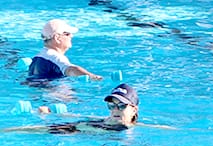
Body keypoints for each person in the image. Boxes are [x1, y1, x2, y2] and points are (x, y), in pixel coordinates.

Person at [5, 83, 141, 134]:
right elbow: (91, 118)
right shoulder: (108, 119)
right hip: (81, 128)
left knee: (42, 130)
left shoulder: (125, 129)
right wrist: (53, 113)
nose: (115, 110)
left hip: (79, 130)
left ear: (133, 109)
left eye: (121, 106)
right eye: (111, 105)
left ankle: (6, 131)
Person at [26, 19, 103, 82]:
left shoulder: (37, 58)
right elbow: (71, 69)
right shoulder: (54, 57)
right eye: (67, 34)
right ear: (57, 38)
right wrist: (93, 77)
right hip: (53, 97)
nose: (71, 36)